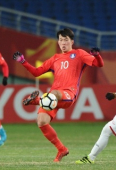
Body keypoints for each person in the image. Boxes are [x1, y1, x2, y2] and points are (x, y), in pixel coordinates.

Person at [13, 28, 104, 162]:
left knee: (53, 93)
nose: (63, 43)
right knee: (41, 121)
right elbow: (37, 72)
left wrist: (97, 55)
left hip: (68, 94)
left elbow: (98, 64)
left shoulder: (79, 54)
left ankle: (37, 100)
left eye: (66, 40)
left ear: (72, 41)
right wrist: (23, 62)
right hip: (53, 97)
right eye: (61, 40)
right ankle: (61, 149)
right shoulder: (55, 58)